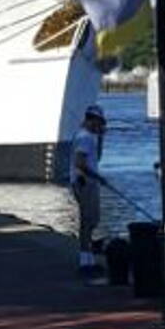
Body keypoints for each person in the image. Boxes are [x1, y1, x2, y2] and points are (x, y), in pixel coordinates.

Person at [69, 105, 105, 275]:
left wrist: (102, 138)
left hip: (88, 182)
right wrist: (96, 177)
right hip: (85, 182)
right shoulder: (84, 137)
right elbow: (80, 162)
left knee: (92, 220)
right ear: (92, 119)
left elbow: (96, 157)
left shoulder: (88, 136)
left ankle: (88, 257)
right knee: (87, 221)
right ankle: (85, 261)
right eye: (99, 122)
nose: (100, 126)